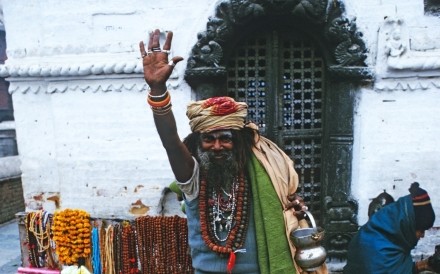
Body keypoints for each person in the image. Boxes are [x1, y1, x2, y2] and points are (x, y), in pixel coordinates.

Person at [139, 29, 328, 274]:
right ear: (199, 142)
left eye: (225, 139)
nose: (217, 147)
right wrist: (158, 91)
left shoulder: (263, 172)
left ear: (237, 142)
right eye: (208, 139)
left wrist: (292, 210)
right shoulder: (193, 179)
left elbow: (285, 205)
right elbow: (170, 141)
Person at [343, 182, 436, 274]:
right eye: (421, 230)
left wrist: (423, 265)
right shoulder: (376, 249)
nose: (423, 235)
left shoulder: (393, 240)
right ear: (408, 225)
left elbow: (398, 269)